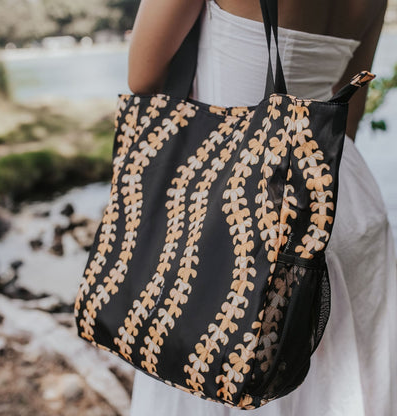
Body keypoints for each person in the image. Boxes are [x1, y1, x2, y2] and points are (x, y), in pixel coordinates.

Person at [127, 1, 397, 415]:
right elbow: (348, 108)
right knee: (340, 385)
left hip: (234, 208)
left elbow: (142, 76)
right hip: (340, 195)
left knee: (222, 374)